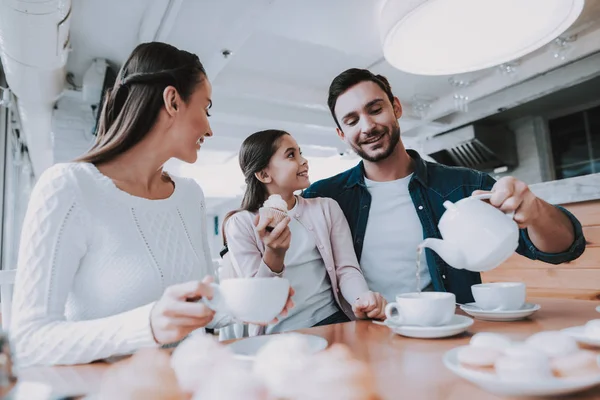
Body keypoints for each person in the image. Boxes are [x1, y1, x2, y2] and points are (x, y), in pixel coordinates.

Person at [10, 42, 292, 368]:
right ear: (173, 101)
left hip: (188, 383)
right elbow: (29, 340)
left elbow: (205, 304)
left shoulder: (189, 195)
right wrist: (148, 325)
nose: (210, 128)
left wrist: (256, 298)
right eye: (206, 108)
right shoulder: (68, 187)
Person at [303, 68, 586, 304]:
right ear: (342, 134)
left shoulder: (465, 185)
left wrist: (534, 209)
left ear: (396, 107)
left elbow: (563, 249)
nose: (367, 127)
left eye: (375, 109)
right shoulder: (323, 197)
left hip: (447, 335)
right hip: (361, 344)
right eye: (352, 121)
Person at [222, 129, 386, 335]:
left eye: (300, 153)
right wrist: (274, 253)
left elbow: (346, 269)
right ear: (264, 174)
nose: (304, 161)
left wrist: (362, 299)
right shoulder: (241, 223)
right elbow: (258, 299)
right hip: (278, 333)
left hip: (333, 321)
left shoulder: (326, 208)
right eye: (291, 155)